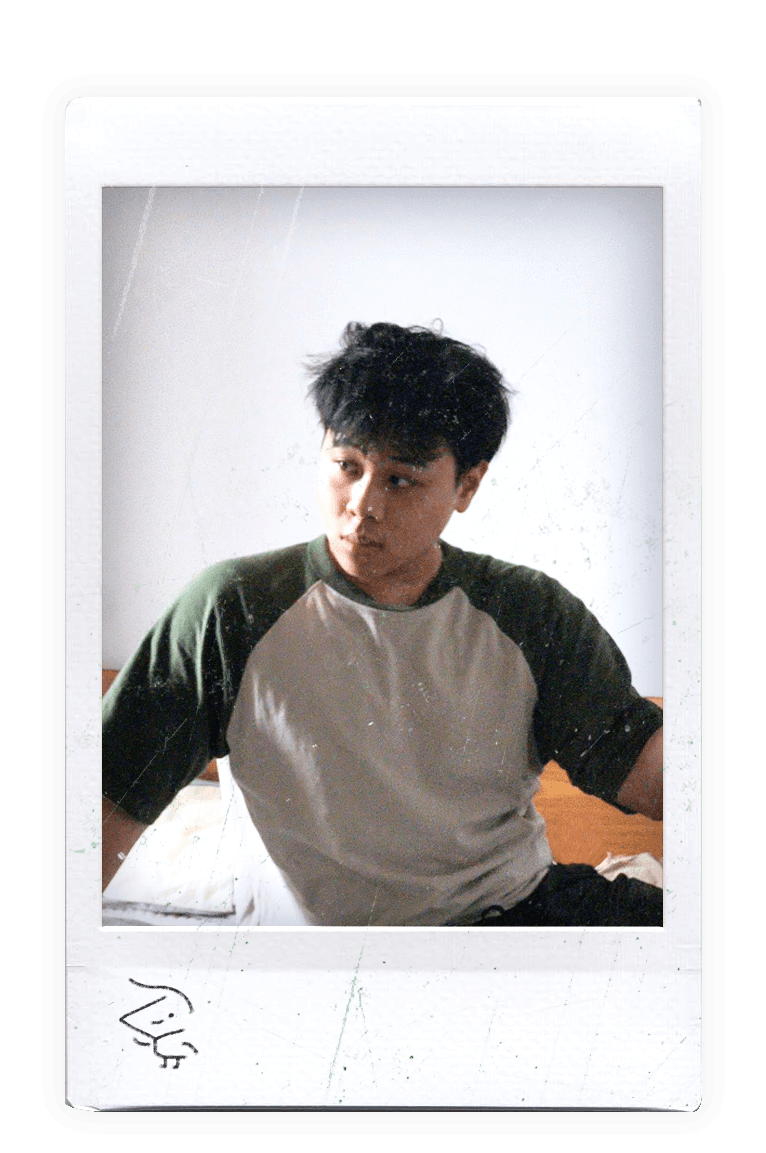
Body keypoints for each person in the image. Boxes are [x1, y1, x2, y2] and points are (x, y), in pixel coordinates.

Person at [102, 322, 663, 927]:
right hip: (327, 953)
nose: (362, 505)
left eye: (400, 480)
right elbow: (105, 801)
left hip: (514, 914)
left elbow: (642, 770)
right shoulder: (233, 610)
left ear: (467, 485)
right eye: (346, 465)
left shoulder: (529, 611)